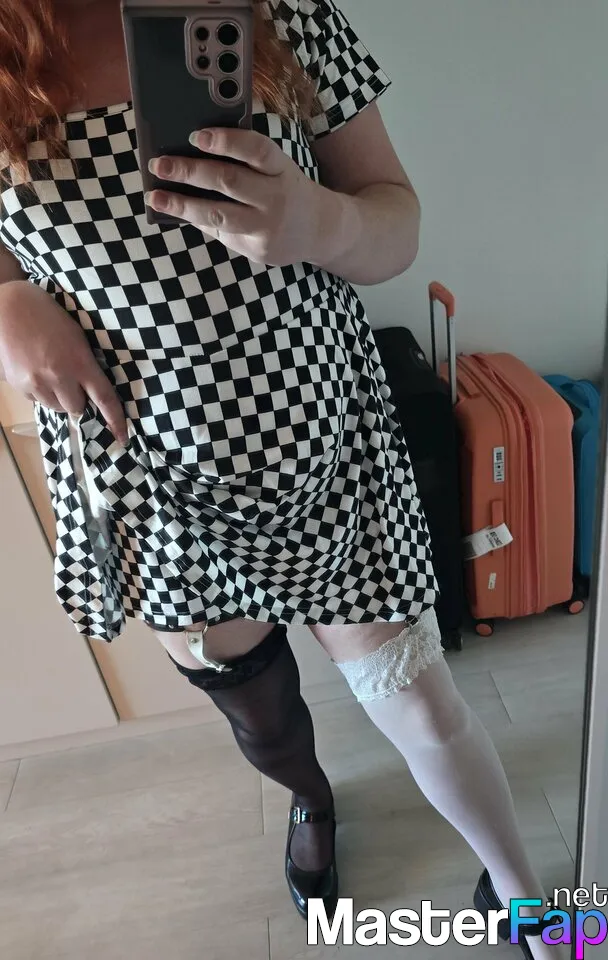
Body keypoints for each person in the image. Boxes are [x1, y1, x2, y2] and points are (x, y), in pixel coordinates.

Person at [0, 2, 563, 956]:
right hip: (151, 479)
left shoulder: (280, 9)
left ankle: (530, 903)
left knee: (426, 708)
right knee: (262, 719)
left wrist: (321, 221)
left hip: (324, 443)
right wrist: (8, 306)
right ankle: (311, 799)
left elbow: (394, 219)